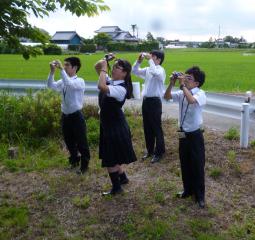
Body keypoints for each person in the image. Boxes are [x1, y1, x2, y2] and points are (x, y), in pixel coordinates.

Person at [164, 66, 207, 209]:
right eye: (185, 76)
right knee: (184, 162)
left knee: (197, 164)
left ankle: (200, 196)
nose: (186, 80)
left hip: (195, 134)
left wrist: (182, 86)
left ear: (197, 83)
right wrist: (171, 83)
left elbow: (191, 101)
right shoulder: (182, 91)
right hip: (182, 132)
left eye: (189, 78)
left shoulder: (200, 93)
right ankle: (187, 190)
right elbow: (167, 96)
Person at [94, 55, 137, 195]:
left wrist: (105, 69)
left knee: (110, 159)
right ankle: (123, 178)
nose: (113, 69)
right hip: (109, 124)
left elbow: (101, 86)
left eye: (117, 67)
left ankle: (116, 188)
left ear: (124, 73)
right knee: (114, 155)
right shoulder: (112, 82)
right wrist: (104, 61)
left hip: (115, 126)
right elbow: (97, 68)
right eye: (113, 66)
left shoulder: (121, 89)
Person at [47, 57, 90, 174]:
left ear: (75, 68)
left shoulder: (79, 81)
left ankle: (84, 166)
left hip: (76, 116)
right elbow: (50, 86)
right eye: (64, 65)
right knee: (69, 141)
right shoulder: (63, 80)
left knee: (81, 142)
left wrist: (60, 70)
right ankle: (74, 161)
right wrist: (52, 72)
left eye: (67, 65)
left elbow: (69, 84)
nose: (64, 67)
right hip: (65, 115)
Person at [132, 50, 166, 163]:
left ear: (159, 59)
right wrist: (138, 61)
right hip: (146, 101)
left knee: (156, 127)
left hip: (155, 102)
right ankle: (150, 150)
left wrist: (150, 60)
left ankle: (159, 152)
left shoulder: (161, 71)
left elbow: (154, 72)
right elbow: (134, 71)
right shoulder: (148, 69)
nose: (150, 58)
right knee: (147, 127)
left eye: (153, 56)